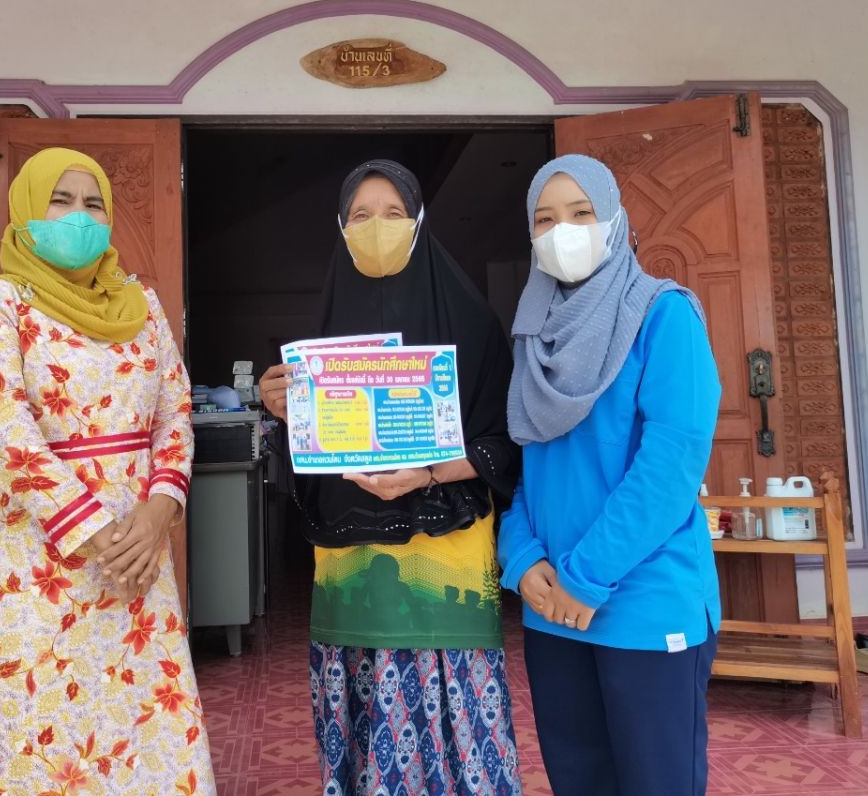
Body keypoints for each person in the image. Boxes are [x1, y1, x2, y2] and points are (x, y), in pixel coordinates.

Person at [0, 148, 214, 795]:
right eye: (60, 201)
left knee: (141, 732)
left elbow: (175, 414)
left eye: (94, 204)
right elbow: (4, 431)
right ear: (26, 211)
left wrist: (158, 514)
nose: (79, 216)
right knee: (35, 733)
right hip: (39, 564)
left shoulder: (141, 306)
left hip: (139, 561)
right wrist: (101, 537)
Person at [259, 160, 523, 795]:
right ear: (341, 228)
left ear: (419, 221)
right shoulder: (322, 340)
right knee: (360, 724)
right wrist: (286, 410)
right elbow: (313, 458)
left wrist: (427, 473)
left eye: (393, 213)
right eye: (360, 215)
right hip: (351, 567)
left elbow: (508, 445)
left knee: (456, 735)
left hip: (445, 563)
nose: (376, 226)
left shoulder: (476, 326)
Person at [498, 154, 722, 796]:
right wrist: (521, 557)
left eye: (581, 213)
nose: (562, 232)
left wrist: (584, 578)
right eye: (545, 220)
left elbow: (668, 470)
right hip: (553, 610)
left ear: (615, 221)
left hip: (642, 603)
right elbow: (529, 465)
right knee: (580, 781)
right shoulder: (535, 338)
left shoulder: (663, 316)